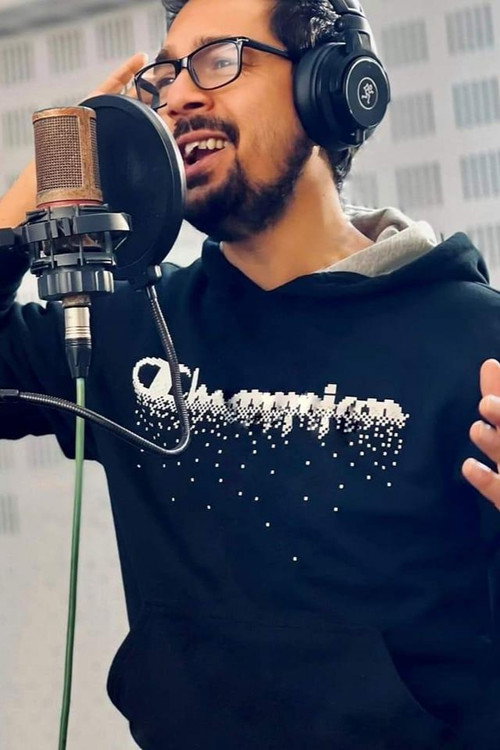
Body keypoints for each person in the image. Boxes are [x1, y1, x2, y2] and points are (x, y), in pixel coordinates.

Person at [1, 0, 500, 748]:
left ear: (327, 87)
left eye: (219, 60)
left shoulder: (476, 341)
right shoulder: (129, 330)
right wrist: (51, 178)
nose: (178, 95)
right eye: (166, 75)